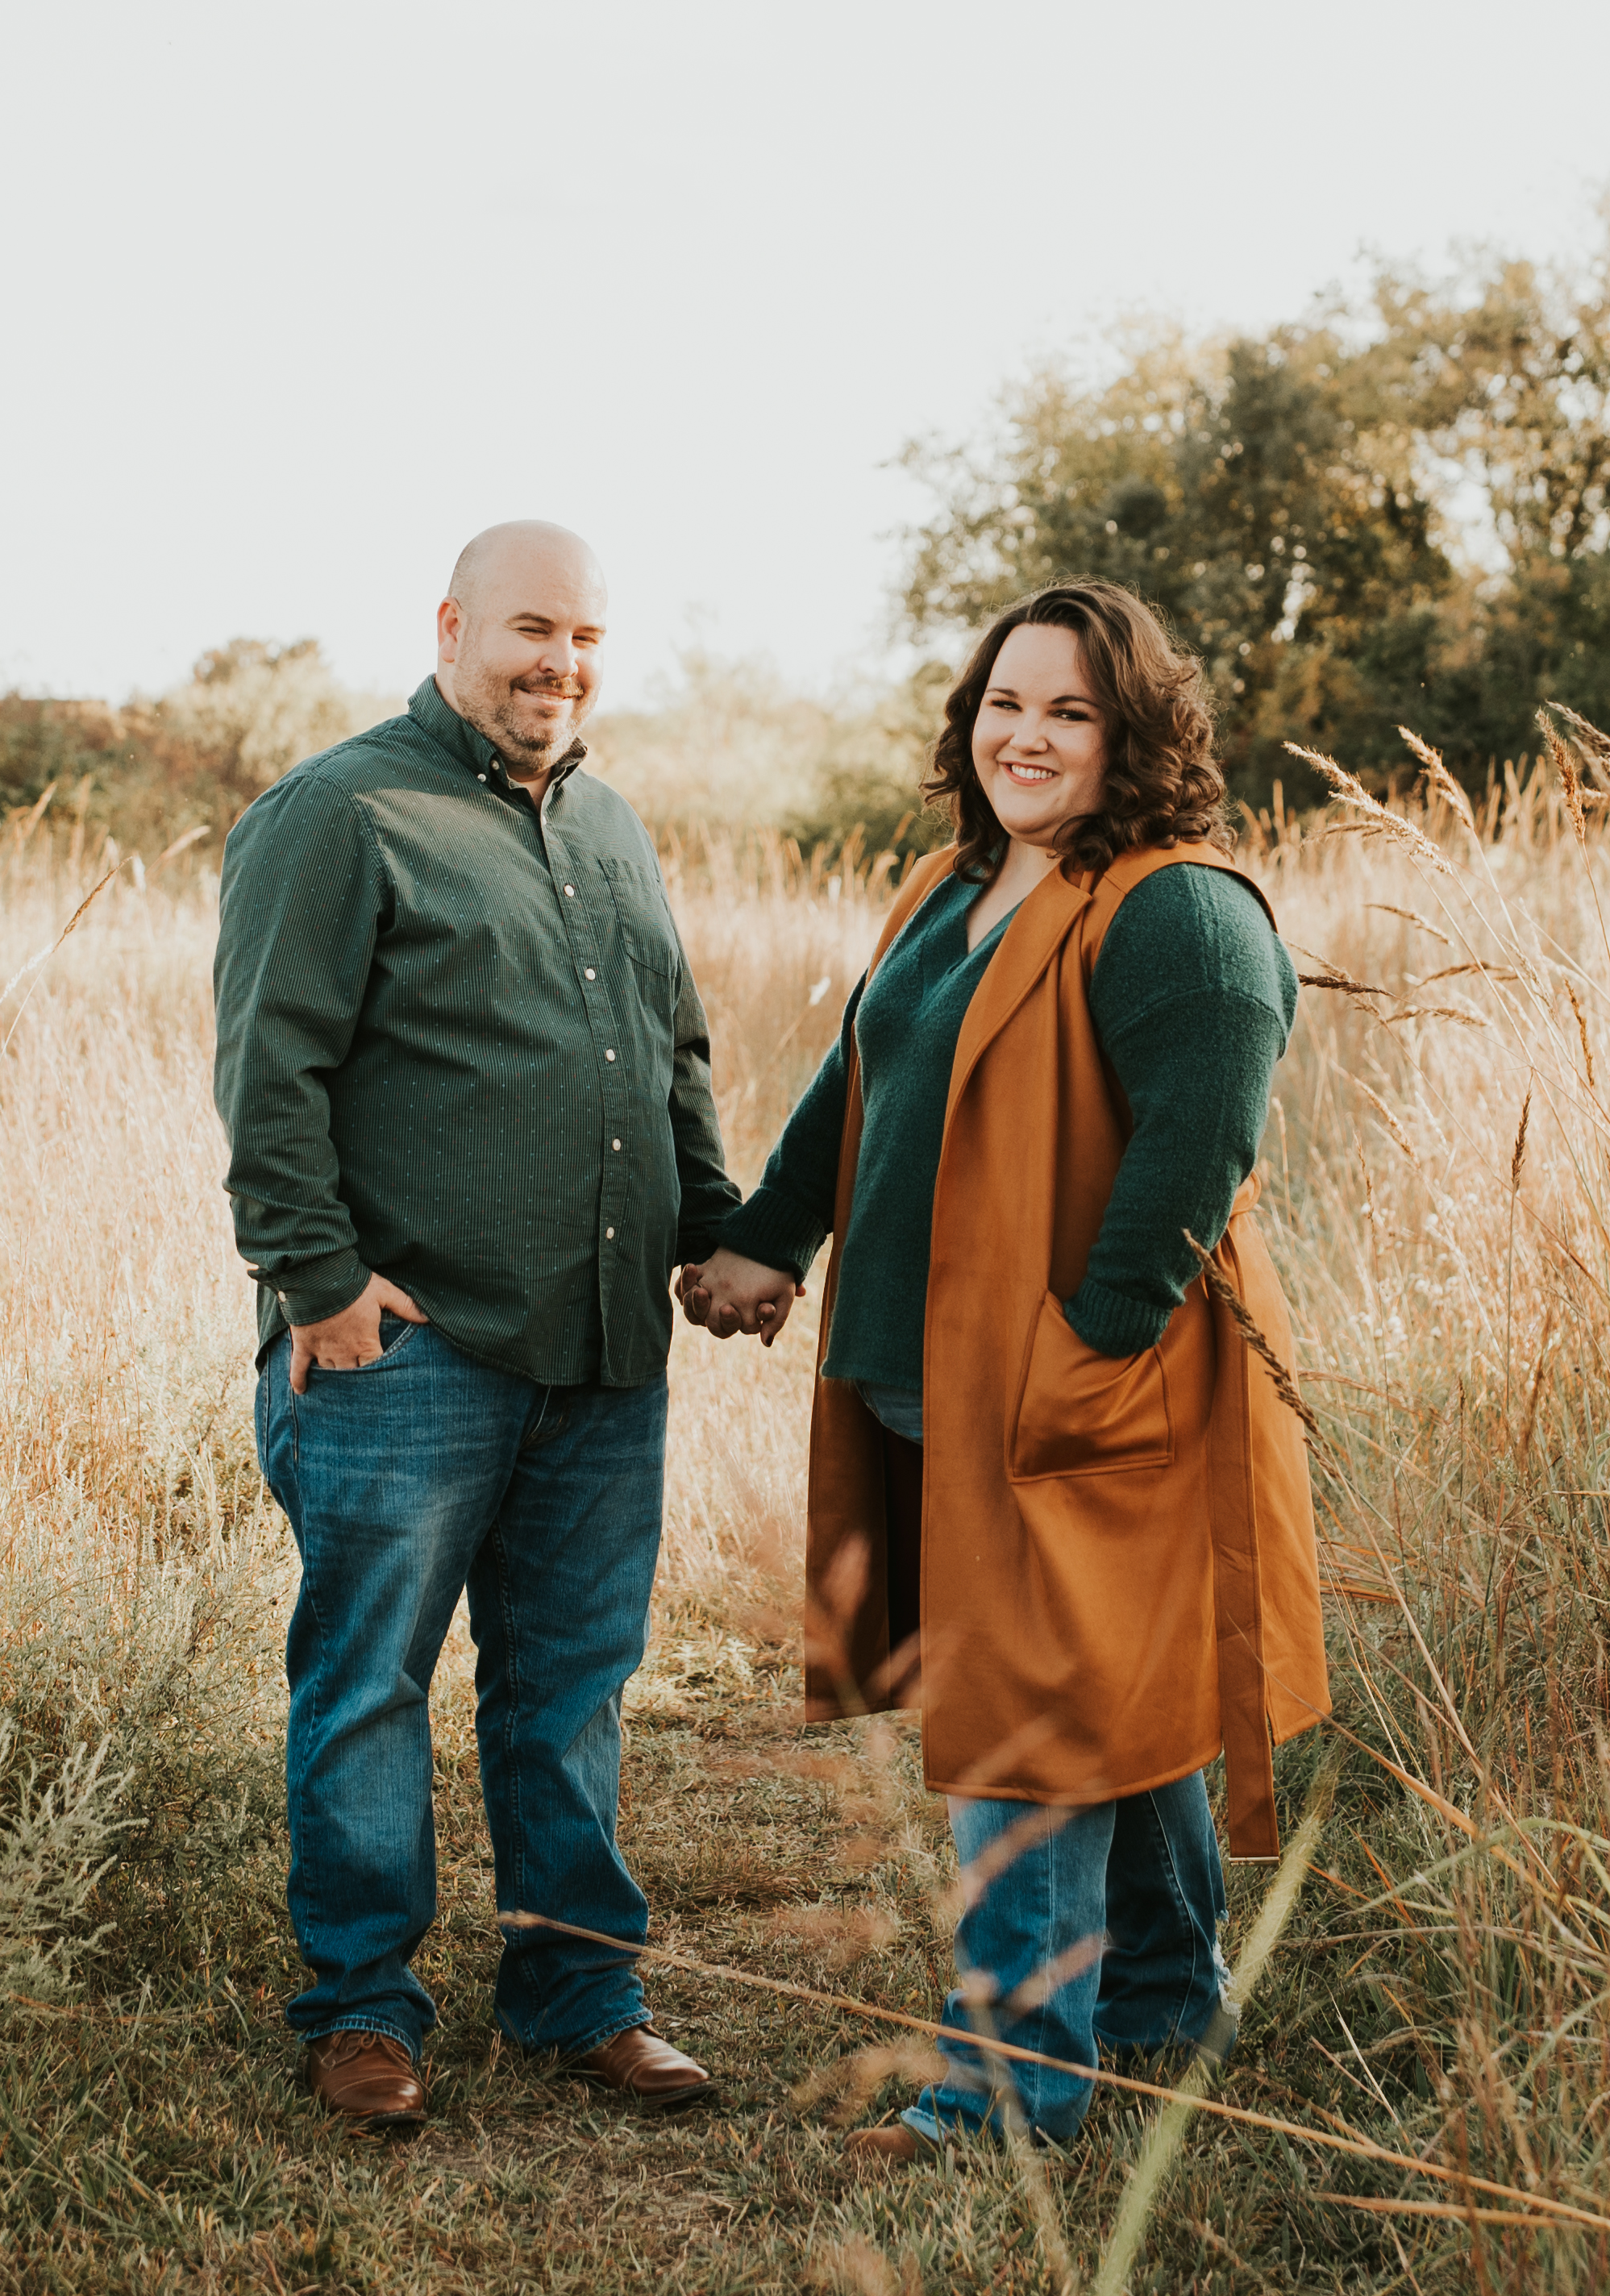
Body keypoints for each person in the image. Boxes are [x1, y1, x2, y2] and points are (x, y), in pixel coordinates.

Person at [676, 578, 1328, 2164]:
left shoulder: (1177, 909)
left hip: (1072, 1391)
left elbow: (1198, 1143)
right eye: (1001, 704)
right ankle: (1163, 2002)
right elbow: (859, 1077)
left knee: (1021, 1724)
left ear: (1134, 733)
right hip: (919, 1374)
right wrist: (770, 1235)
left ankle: (1003, 2094)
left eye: (1068, 711)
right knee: (1113, 1692)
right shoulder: (950, 884)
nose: (1023, 737)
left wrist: (1083, 1350)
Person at [214, 520, 741, 2141]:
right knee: (367, 1680)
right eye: (529, 629)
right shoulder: (339, 810)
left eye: (585, 637)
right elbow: (267, 1068)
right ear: (452, 625)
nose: (558, 664)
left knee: (570, 1685)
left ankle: (577, 1994)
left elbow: (673, 1052)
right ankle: (363, 2008)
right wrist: (317, 1283)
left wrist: (713, 1229)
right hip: (407, 1354)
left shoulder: (613, 827)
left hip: (600, 1357)